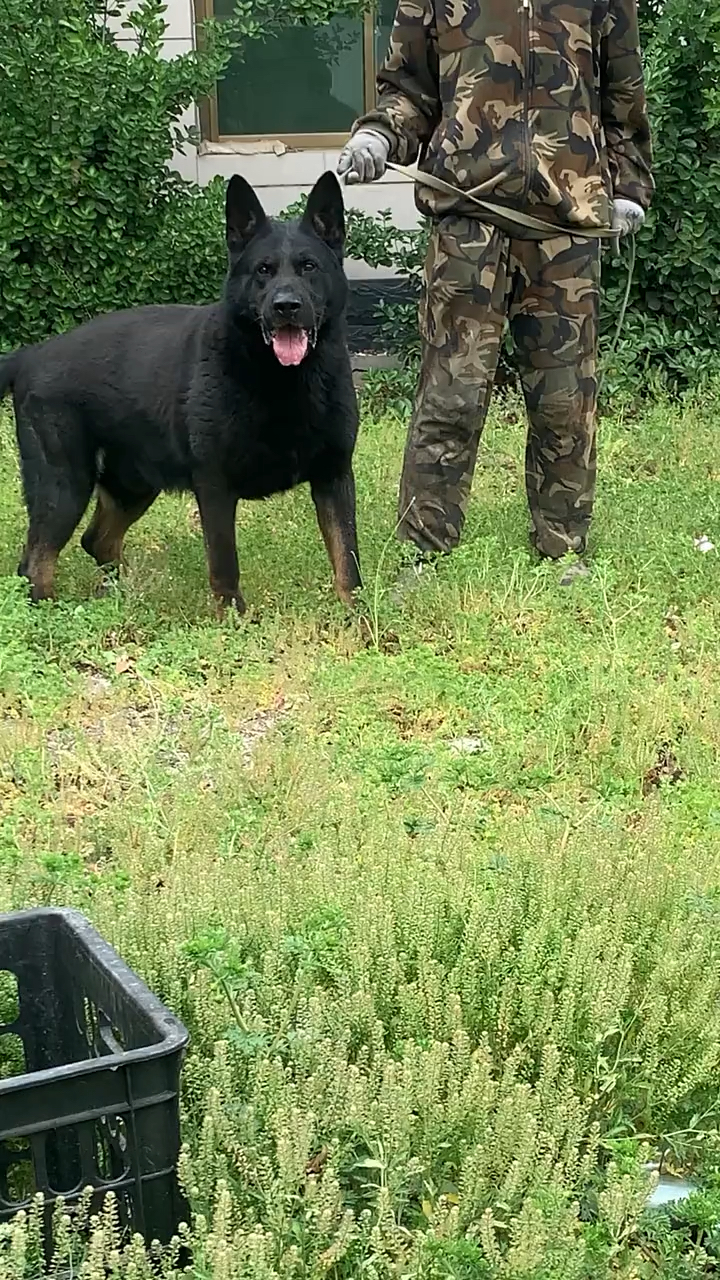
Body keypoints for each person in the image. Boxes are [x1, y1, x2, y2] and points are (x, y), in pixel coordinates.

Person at [338, 1, 653, 585]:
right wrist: (380, 136)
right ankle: (421, 554)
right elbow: (409, 90)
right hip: (467, 222)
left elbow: (624, 97)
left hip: (567, 229)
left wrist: (628, 184)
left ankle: (564, 549)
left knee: (566, 398)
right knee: (451, 392)